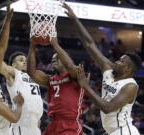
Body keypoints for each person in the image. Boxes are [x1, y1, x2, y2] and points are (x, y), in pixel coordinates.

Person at [63, 3, 142, 135]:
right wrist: (75, 19)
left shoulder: (130, 86)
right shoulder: (109, 69)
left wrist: (86, 86)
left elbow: (108, 108)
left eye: (121, 61)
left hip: (124, 131)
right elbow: (89, 44)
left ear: (128, 69)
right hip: (111, 131)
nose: (117, 61)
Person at [27, 36, 87, 135]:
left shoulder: (76, 75)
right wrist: (32, 46)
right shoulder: (50, 79)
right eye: (52, 59)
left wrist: (55, 44)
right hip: (53, 124)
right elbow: (31, 72)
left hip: (70, 124)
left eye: (57, 58)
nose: (53, 60)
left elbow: (70, 66)